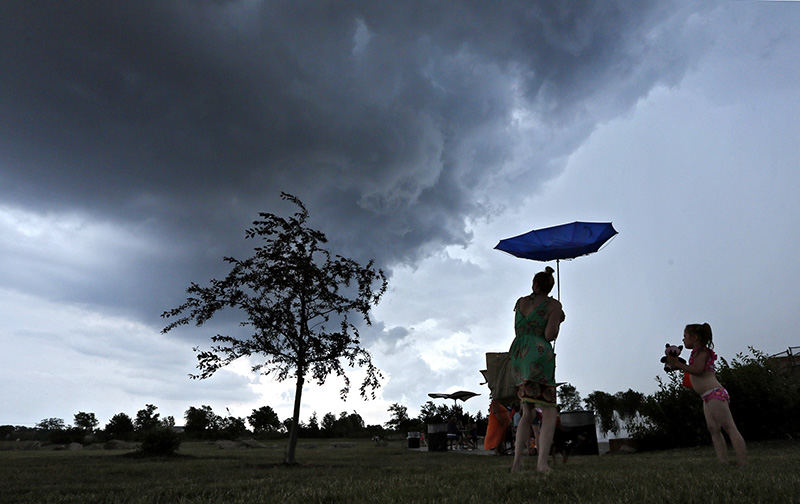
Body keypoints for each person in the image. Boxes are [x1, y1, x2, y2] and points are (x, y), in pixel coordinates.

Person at [666, 322, 747, 466]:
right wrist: (677, 365)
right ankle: (723, 462)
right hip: (706, 397)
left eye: (685, 336)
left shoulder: (703, 352)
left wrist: (678, 364)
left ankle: (743, 462)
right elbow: (692, 371)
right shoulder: (695, 354)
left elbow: (697, 370)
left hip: (715, 393)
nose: (683, 339)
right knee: (713, 429)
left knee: (729, 427)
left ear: (695, 337)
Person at [509, 266, 565, 473]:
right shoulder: (553, 305)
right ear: (550, 287)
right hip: (539, 356)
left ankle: (517, 463)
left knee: (527, 411)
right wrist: (557, 318)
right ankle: (542, 463)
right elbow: (549, 335)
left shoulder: (520, 302)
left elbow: (520, 328)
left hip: (518, 356)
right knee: (549, 410)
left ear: (534, 284)